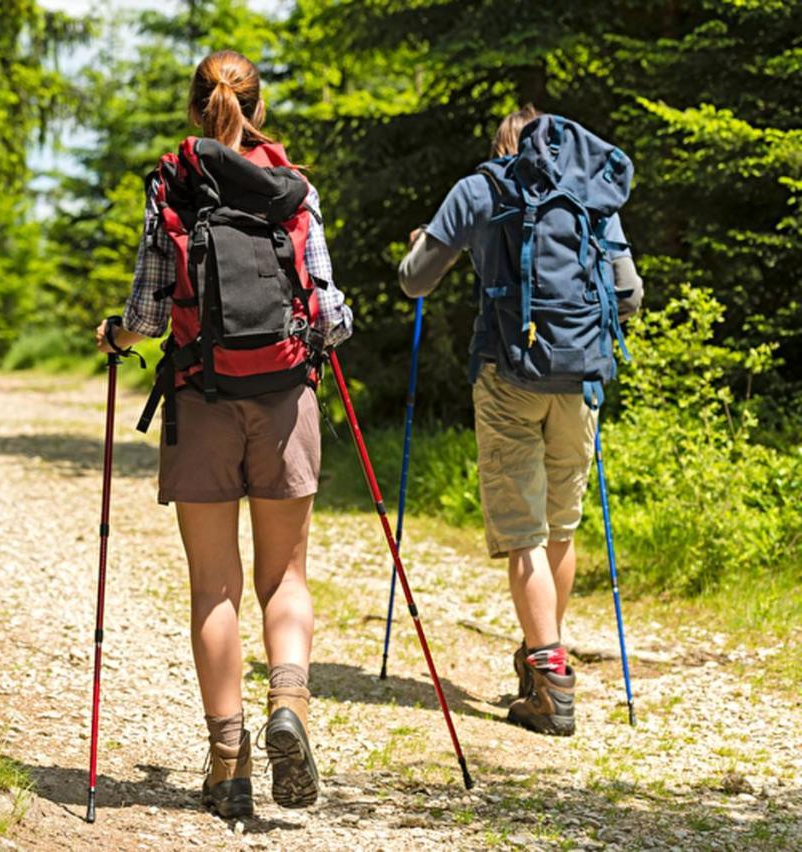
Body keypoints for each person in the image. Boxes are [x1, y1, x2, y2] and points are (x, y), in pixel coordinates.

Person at [95, 50, 352, 816]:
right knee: (285, 578)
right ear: (258, 108)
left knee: (215, 586)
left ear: (193, 107)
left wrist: (116, 336)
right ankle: (290, 707)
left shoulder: (170, 185)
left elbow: (148, 312)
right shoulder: (293, 189)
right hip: (284, 401)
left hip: (200, 398)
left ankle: (228, 762)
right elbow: (330, 313)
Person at [398, 105, 643, 736]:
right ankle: (543, 656)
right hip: (581, 379)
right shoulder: (592, 193)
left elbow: (415, 282)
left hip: (507, 372)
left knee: (523, 533)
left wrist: (419, 248)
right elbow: (630, 296)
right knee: (560, 524)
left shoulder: (480, 187)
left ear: (503, 143)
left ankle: (551, 681)